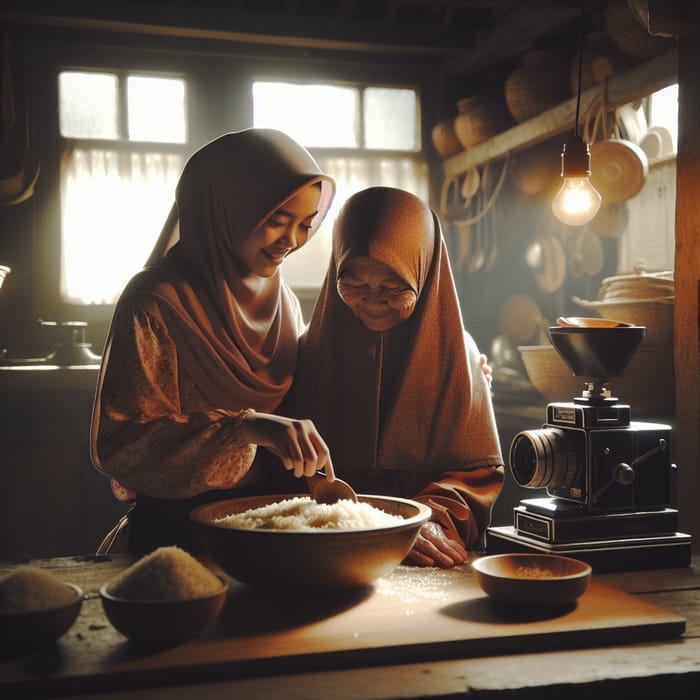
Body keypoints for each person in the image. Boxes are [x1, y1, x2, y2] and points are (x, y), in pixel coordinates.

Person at [90, 128, 336, 555]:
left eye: (305, 225)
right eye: (277, 220)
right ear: (221, 209)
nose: (292, 242)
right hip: (177, 536)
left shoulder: (283, 302)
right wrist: (243, 428)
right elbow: (125, 442)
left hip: (272, 527)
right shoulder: (155, 304)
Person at [281, 186, 504, 568]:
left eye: (392, 286)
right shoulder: (307, 353)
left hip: (423, 556)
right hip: (323, 556)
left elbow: (476, 473)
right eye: (353, 284)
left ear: (425, 273)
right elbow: (281, 474)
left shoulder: (456, 355)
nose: (372, 299)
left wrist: (424, 518)